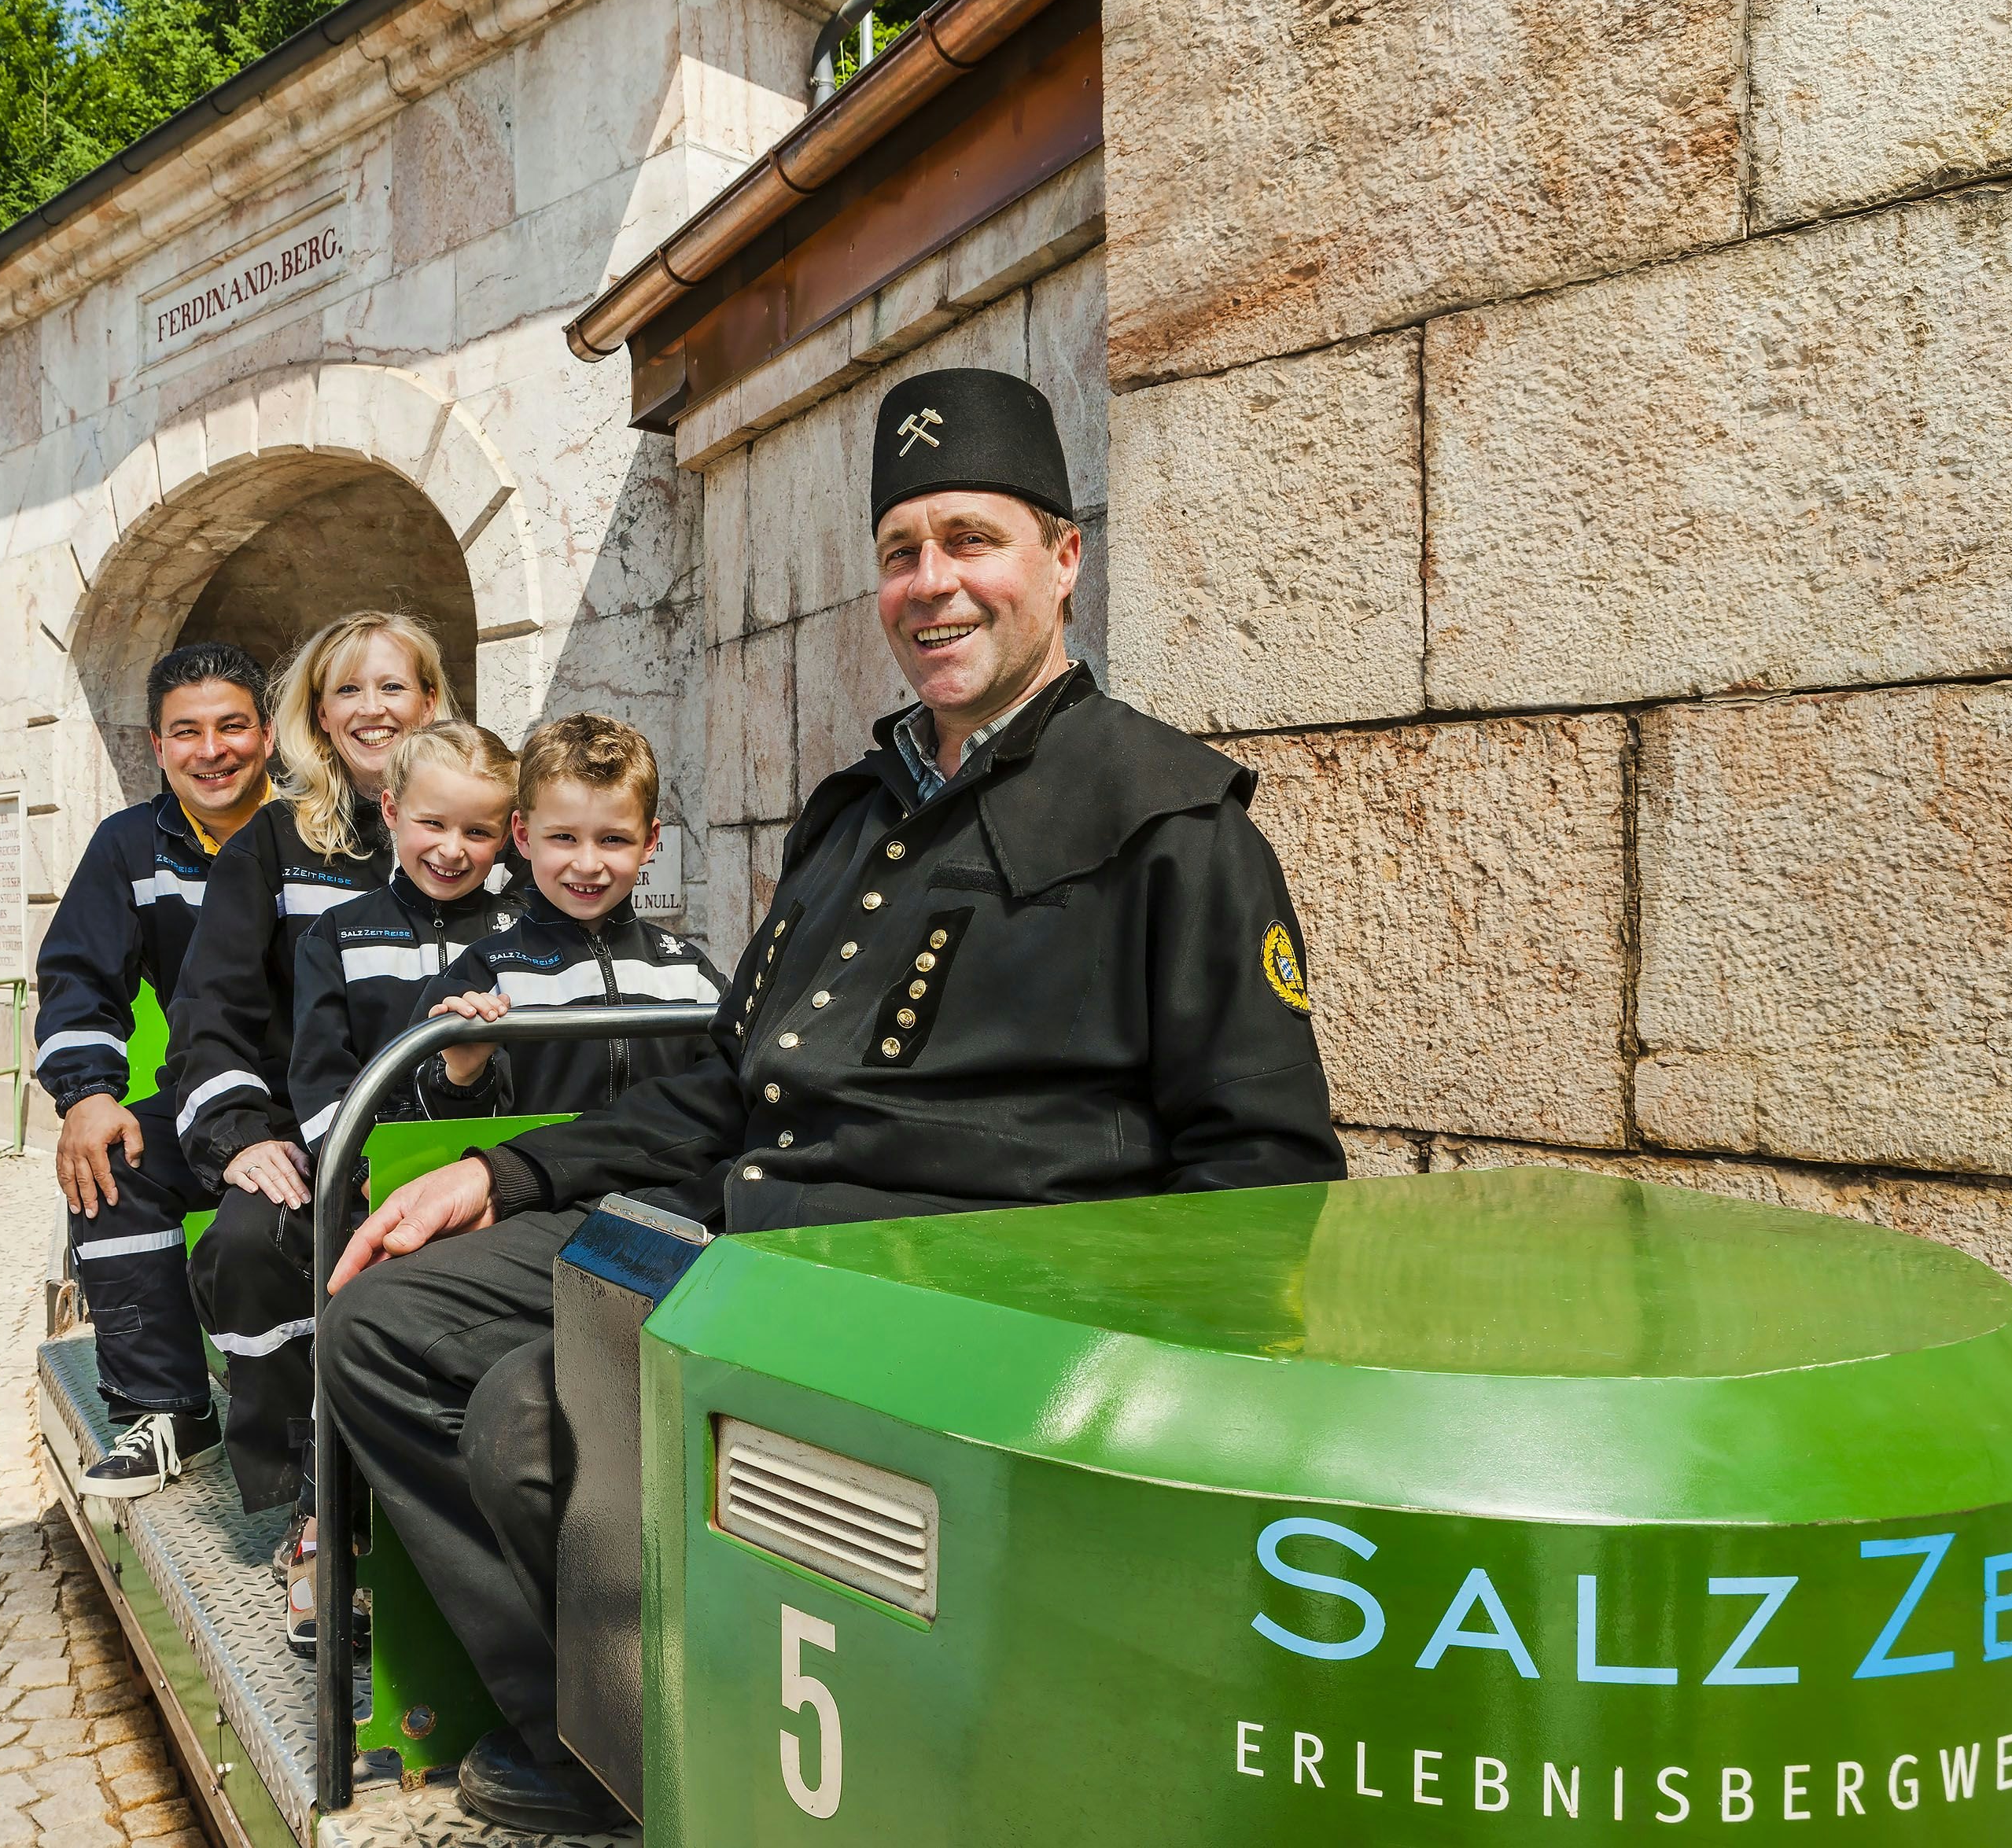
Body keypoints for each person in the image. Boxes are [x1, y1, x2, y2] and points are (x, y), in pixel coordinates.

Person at [318, 367, 1347, 1834]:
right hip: (744, 1241)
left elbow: (1264, 1182)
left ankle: (699, 1738)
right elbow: (730, 1090)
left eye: (971, 540)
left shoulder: (1173, 824)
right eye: (900, 549)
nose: (932, 583)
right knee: (384, 1325)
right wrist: (506, 1170)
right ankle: (607, 1719)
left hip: (947, 1313)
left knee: (523, 1419)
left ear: (1063, 558)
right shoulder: (851, 813)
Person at [171, 609, 457, 1536]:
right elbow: (210, 1007)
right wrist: (242, 1137)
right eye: (348, 691)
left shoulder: (479, 831)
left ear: (428, 701)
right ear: (320, 716)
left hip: (449, 1127)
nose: (372, 709)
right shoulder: (272, 844)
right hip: (306, 1125)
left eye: (392, 686)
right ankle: (312, 1497)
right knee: (252, 1243)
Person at [270, 720, 521, 1652]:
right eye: (433, 825)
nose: (453, 850)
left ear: (510, 834)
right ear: (391, 812)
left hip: (491, 1185)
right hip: (375, 1183)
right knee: (352, 1319)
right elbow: (317, 1073)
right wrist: (365, 1167)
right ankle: (320, 1526)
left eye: (480, 832)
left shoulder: (523, 934)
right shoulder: (339, 933)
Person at [36, 641, 274, 1496]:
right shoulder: (129, 847)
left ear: (270, 733)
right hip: (206, 1098)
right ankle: (169, 1408)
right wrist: (88, 1095)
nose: (212, 750)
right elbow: (78, 977)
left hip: (324, 1093)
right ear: (157, 745)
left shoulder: (325, 832)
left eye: (232, 726)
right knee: (114, 1161)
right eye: (188, 732)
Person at [417, 712, 724, 1118]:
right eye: (564, 837)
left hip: (667, 1180)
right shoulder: (482, 974)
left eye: (612, 839)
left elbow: (729, 1093)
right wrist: (460, 1073)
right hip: (530, 1181)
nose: (587, 863)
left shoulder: (691, 972)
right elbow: (422, 1118)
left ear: (649, 841)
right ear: (524, 836)